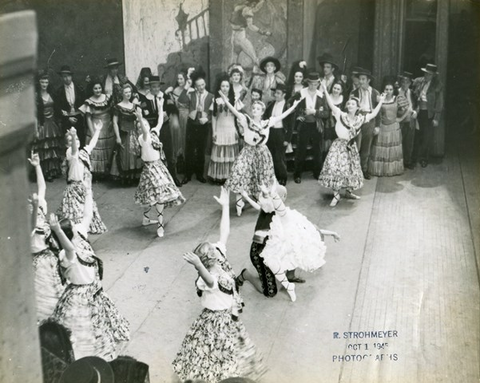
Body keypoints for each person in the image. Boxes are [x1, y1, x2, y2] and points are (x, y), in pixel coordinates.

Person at [172, 187, 265, 383]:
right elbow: (209, 280)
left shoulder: (219, 258)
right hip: (214, 319)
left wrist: (224, 207)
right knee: (212, 350)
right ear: (207, 259)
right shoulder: (206, 277)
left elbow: (225, 232)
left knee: (228, 348)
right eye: (211, 250)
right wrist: (197, 265)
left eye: (214, 248)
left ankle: (225, 374)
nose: (215, 249)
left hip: (227, 316)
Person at [51, 190, 130, 361]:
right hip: (79, 296)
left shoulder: (79, 235)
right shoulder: (66, 254)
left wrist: (88, 193)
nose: (75, 224)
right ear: (66, 233)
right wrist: (57, 230)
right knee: (81, 332)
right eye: (71, 225)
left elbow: (87, 216)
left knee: (98, 325)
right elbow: (70, 249)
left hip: (94, 292)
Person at [239, 184, 340, 301]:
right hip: (259, 251)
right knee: (269, 292)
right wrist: (248, 197)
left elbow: (306, 231)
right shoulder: (267, 209)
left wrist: (331, 233)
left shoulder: (286, 214)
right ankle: (246, 275)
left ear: (283, 197)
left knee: (296, 245)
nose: (272, 198)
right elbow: (262, 205)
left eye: (276, 196)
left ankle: (290, 276)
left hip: (273, 251)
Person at [220, 89, 301, 216]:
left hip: (262, 154)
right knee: (241, 174)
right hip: (248, 152)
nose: (255, 110)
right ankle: (239, 200)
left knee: (261, 178)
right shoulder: (246, 120)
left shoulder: (267, 123)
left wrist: (295, 106)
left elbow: (283, 115)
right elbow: (235, 112)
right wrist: (226, 102)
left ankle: (260, 197)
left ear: (263, 112)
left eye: (258, 109)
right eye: (254, 108)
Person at [318, 81, 385, 207]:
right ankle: (336, 195)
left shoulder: (360, 119)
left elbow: (374, 114)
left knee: (351, 170)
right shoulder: (341, 115)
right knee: (336, 170)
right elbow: (331, 104)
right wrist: (325, 90)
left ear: (357, 108)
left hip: (351, 147)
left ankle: (348, 192)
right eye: (348, 103)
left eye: (353, 104)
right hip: (339, 146)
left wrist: (381, 101)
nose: (349, 105)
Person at [134, 104, 185, 238]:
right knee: (150, 196)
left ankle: (157, 223)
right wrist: (139, 117)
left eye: (144, 124)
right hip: (150, 168)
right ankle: (156, 223)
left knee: (157, 195)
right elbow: (145, 132)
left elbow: (160, 122)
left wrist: (161, 105)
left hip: (159, 167)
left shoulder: (153, 133)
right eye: (140, 126)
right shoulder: (143, 138)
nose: (143, 126)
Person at [29, 153, 65, 322]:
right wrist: (35, 207)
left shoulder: (39, 209)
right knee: (41, 298)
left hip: (48, 258)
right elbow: (30, 228)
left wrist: (37, 166)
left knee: (54, 292)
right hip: (35, 263)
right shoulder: (25, 221)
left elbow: (42, 188)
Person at [57, 124, 107, 233]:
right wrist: (74, 135)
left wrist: (98, 130)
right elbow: (74, 150)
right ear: (67, 144)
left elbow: (92, 144)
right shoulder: (70, 153)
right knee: (76, 217)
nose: (75, 141)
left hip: (85, 189)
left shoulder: (83, 153)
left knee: (87, 214)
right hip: (74, 190)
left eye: (77, 139)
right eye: (71, 140)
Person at [140, 75, 181, 187]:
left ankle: (173, 177)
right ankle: (158, 180)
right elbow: (144, 114)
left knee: (168, 151)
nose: (156, 89)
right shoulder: (144, 99)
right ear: (150, 87)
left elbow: (172, 109)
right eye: (154, 87)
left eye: (158, 87)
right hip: (152, 130)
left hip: (165, 127)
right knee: (155, 154)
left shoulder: (165, 96)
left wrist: (166, 114)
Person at [292, 72, 329, 184]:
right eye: (311, 84)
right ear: (308, 83)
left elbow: (327, 113)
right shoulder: (301, 93)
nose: (313, 86)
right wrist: (299, 115)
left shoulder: (321, 95)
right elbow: (292, 105)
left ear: (319, 83)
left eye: (316, 84)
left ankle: (317, 173)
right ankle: (297, 174)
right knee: (301, 150)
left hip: (316, 126)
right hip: (304, 126)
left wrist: (315, 112)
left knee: (317, 150)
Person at [368, 81, 408, 177]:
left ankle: (392, 170)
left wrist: (400, 119)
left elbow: (407, 109)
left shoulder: (397, 99)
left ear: (393, 90)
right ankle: (380, 170)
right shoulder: (379, 99)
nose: (389, 91)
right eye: (386, 89)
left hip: (394, 127)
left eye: (390, 89)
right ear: (383, 90)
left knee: (392, 150)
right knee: (381, 150)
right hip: (382, 127)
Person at [79, 78, 115, 178]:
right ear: (92, 89)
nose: (98, 90)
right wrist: (92, 132)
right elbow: (88, 118)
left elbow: (112, 112)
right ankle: (97, 172)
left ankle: (107, 171)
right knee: (96, 149)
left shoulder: (107, 98)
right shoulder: (89, 102)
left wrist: (111, 122)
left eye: (99, 88)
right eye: (95, 88)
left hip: (107, 128)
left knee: (108, 148)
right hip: (95, 128)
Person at [182, 75, 214, 184]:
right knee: (189, 150)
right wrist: (186, 87)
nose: (201, 87)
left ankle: (200, 174)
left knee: (201, 150)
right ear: (195, 86)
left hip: (203, 125)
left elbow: (213, 113)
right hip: (192, 124)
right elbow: (181, 100)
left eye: (202, 85)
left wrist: (207, 119)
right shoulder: (191, 95)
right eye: (198, 85)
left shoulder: (210, 96)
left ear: (205, 84)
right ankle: (188, 175)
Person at [350, 68, 381, 179]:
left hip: (370, 120)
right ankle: (354, 170)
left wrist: (377, 125)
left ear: (368, 80)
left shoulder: (375, 93)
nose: (361, 81)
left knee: (366, 147)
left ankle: (364, 169)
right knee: (356, 146)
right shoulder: (354, 92)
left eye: (363, 79)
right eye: (360, 79)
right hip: (358, 120)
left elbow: (379, 110)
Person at [208, 78, 240, 184]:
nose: (225, 88)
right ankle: (219, 177)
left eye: (227, 86)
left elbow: (238, 117)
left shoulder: (235, 100)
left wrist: (237, 130)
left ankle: (229, 177)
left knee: (230, 154)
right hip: (220, 129)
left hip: (231, 129)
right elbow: (214, 117)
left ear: (230, 88)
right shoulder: (216, 100)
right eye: (223, 86)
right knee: (220, 153)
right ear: (219, 87)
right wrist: (214, 132)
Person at [33, 70, 63, 181]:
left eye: (46, 82)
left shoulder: (52, 94)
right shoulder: (36, 96)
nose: (44, 85)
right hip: (43, 123)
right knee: (44, 148)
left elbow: (57, 108)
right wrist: (36, 128)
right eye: (42, 82)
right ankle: (46, 172)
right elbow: (35, 114)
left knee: (53, 147)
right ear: (39, 83)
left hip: (52, 123)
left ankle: (54, 170)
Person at [412, 63, 444, 168]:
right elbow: (410, 84)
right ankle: (414, 157)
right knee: (417, 135)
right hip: (418, 111)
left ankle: (424, 158)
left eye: (429, 74)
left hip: (428, 113)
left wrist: (436, 118)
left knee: (426, 136)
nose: (427, 76)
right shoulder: (419, 81)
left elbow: (439, 103)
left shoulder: (437, 85)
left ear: (433, 75)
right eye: (426, 73)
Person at [111, 83, 144, 184]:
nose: (128, 94)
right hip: (123, 134)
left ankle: (133, 177)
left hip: (134, 133)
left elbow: (140, 120)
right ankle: (125, 177)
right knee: (124, 156)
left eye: (129, 92)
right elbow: (115, 123)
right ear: (122, 93)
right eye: (126, 92)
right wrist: (117, 136)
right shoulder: (118, 107)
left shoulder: (135, 106)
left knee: (134, 155)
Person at [263, 83, 293, 185]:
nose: (276, 95)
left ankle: (283, 177)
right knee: (271, 155)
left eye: (278, 93)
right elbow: (266, 117)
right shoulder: (271, 104)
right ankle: (273, 177)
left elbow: (291, 125)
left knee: (279, 157)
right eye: (275, 93)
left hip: (281, 133)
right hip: (271, 133)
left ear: (284, 95)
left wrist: (287, 139)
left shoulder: (288, 106)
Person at [55, 65, 87, 146]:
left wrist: (80, 112)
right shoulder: (59, 91)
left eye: (68, 76)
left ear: (71, 76)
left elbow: (85, 101)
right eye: (64, 77)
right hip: (66, 120)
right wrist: (67, 118)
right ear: (61, 78)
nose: (67, 78)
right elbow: (57, 107)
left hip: (79, 119)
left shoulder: (79, 88)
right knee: (68, 142)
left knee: (80, 141)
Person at [170, 71, 193, 167]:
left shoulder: (190, 90)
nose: (179, 81)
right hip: (177, 114)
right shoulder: (175, 90)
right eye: (178, 79)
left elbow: (192, 104)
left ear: (185, 79)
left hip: (186, 114)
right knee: (177, 137)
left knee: (185, 136)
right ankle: (178, 159)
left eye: (181, 79)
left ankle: (186, 159)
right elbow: (175, 105)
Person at [397, 71, 417, 169]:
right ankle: (398, 162)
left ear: (410, 83)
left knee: (409, 142)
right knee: (399, 142)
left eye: (407, 82)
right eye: (403, 82)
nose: (405, 84)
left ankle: (407, 161)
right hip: (400, 121)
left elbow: (416, 105)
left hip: (410, 121)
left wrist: (415, 112)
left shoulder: (412, 92)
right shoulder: (397, 92)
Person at [323, 81, 344, 157]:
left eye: (338, 89)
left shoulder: (343, 99)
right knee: (326, 145)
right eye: (334, 88)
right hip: (327, 124)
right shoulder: (326, 97)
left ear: (341, 91)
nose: (335, 90)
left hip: (338, 125)